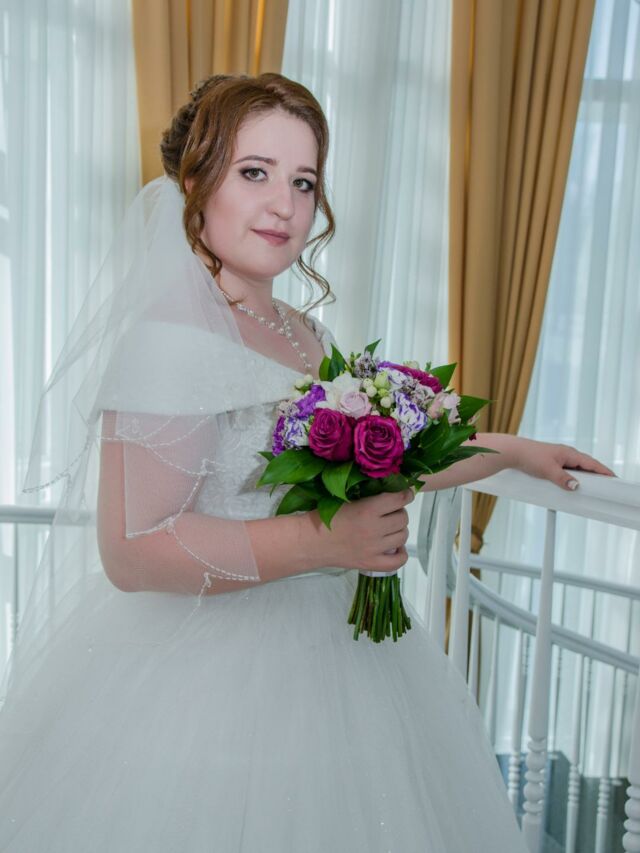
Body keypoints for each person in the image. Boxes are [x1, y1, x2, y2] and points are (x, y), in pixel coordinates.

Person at [0, 73, 614, 852]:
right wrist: (326, 541)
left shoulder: (301, 330)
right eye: (254, 172)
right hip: (211, 681)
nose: (284, 206)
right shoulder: (172, 334)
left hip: (336, 652)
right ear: (196, 179)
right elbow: (132, 549)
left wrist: (514, 451)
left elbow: (374, 461)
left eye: (303, 181)